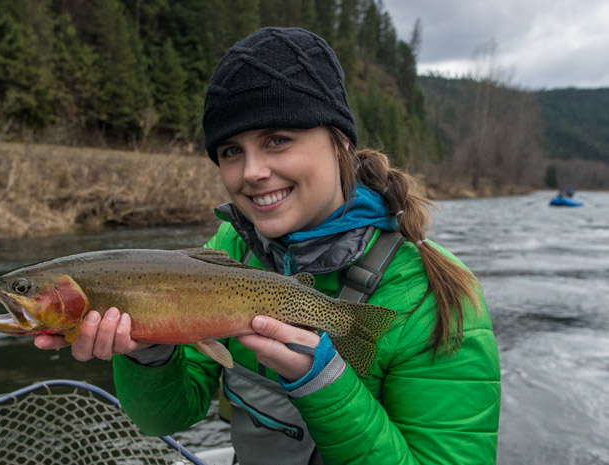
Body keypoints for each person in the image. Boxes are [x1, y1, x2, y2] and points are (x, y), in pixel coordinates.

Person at [34, 27, 501, 464]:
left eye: (277, 140)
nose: (251, 172)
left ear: (338, 142)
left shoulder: (435, 296)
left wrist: (325, 385)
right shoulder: (229, 249)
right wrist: (148, 354)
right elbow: (165, 420)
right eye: (231, 151)